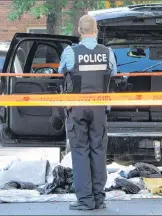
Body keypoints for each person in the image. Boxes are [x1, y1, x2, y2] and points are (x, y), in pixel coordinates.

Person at [58, 14, 117, 211]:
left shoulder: (70, 52)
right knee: (99, 151)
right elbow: (113, 73)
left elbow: (61, 71)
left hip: (77, 108)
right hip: (99, 108)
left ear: (79, 30)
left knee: (80, 151)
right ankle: (99, 199)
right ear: (97, 30)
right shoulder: (107, 52)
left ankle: (85, 200)